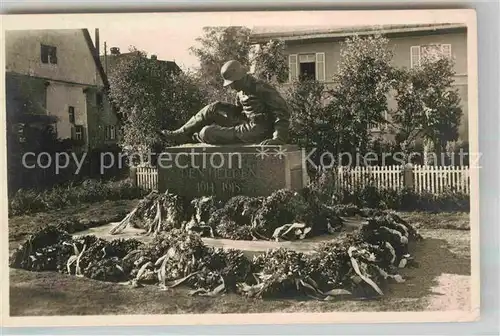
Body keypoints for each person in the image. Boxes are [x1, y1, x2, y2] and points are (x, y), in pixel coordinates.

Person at [160, 60, 290, 145]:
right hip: (245, 121)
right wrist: (222, 113)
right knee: (214, 107)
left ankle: (193, 138)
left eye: (233, 83)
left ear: (241, 77)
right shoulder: (240, 90)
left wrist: (278, 138)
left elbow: (282, 112)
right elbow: (239, 111)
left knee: (207, 132)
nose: (231, 87)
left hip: (258, 130)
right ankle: (180, 133)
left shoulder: (261, 88)